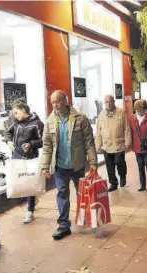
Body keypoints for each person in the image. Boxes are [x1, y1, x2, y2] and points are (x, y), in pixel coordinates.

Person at [40, 90, 97, 240]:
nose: (55, 105)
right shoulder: (49, 121)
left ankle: (84, 216)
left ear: (65, 100)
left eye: (57, 101)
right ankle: (64, 225)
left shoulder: (80, 119)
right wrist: (45, 166)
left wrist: (93, 162)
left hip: (77, 164)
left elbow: (89, 142)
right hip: (60, 166)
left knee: (81, 193)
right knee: (62, 194)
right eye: (52, 102)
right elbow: (47, 146)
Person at [7, 100, 44, 224]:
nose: (15, 115)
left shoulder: (37, 124)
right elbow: (7, 133)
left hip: (30, 157)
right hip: (16, 155)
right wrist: (8, 141)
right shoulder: (15, 123)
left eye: (16, 112)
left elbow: (43, 140)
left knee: (30, 183)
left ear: (24, 110)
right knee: (18, 180)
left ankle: (30, 210)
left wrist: (31, 144)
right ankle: (31, 200)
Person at [95, 95, 131, 192]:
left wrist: (128, 143)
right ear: (104, 103)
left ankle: (122, 176)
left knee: (120, 162)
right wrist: (98, 144)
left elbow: (127, 128)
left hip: (119, 144)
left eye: (110, 101)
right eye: (106, 102)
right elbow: (98, 131)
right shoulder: (101, 114)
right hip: (107, 145)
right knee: (109, 166)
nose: (108, 103)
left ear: (114, 101)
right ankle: (113, 183)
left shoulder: (121, 112)